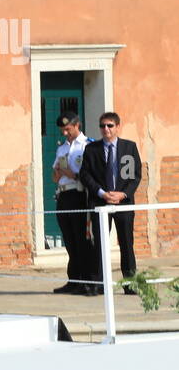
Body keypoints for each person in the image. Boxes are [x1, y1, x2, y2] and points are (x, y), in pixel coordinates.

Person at [80, 112, 142, 294]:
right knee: (99, 243)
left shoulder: (129, 147)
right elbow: (85, 174)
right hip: (100, 202)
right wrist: (101, 193)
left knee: (126, 243)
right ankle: (98, 285)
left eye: (109, 125)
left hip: (123, 203)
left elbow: (135, 175)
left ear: (117, 127)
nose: (105, 129)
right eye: (102, 126)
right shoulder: (92, 149)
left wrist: (122, 194)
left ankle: (130, 284)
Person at [51, 114, 92, 295]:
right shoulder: (62, 148)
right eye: (63, 130)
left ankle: (85, 280)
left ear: (77, 125)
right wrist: (60, 173)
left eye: (68, 129)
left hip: (78, 194)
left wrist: (67, 172)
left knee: (80, 240)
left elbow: (82, 175)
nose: (65, 133)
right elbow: (55, 176)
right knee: (69, 240)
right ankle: (73, 279)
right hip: (63, 195)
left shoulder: (87, 145)